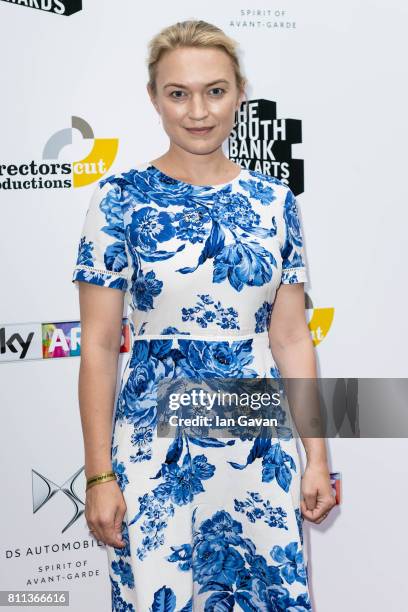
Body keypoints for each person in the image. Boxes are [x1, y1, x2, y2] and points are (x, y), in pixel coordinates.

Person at [71, 19, 335, 612]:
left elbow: (291, 338)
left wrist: (316, 457)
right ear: (153, 98)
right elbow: (97, 347)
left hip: (258, 447)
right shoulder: (119, 199)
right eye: (178, 93)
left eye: (215, 90)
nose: (198, 111)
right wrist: (98, 476)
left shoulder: (274, 201)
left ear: (240, 92)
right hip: (152, 449)